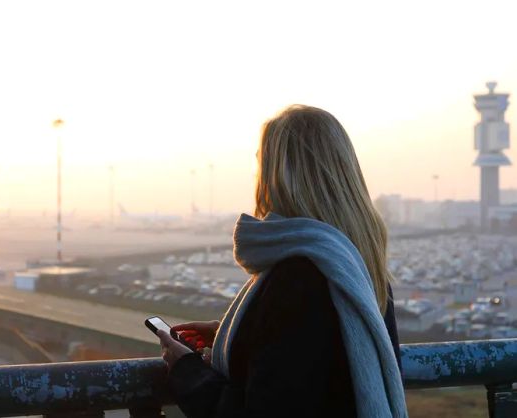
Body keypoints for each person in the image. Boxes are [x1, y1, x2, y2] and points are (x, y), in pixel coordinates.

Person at [157, 105, 407, 418]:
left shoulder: (300, 276)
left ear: (277, 176)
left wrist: (187, 370)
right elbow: (321, 360)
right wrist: (233, 335)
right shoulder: (357, 264)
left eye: (262, 164)